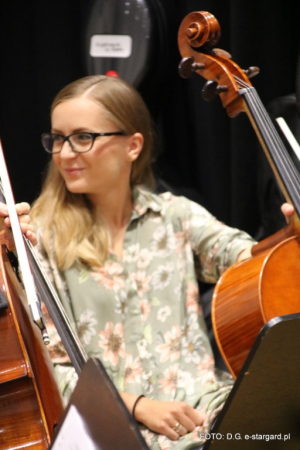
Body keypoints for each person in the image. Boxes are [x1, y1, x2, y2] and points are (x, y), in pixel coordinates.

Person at [2, 75, 294, 450]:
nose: (65, 152)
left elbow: (249, 260)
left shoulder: (176, 216)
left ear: (132, 146)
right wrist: (138, 407)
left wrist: (288, 237)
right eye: (57, 138)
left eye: (83, 137)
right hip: (113, 429)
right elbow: (51, 369)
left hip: (205, 412)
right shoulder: (37, 237)